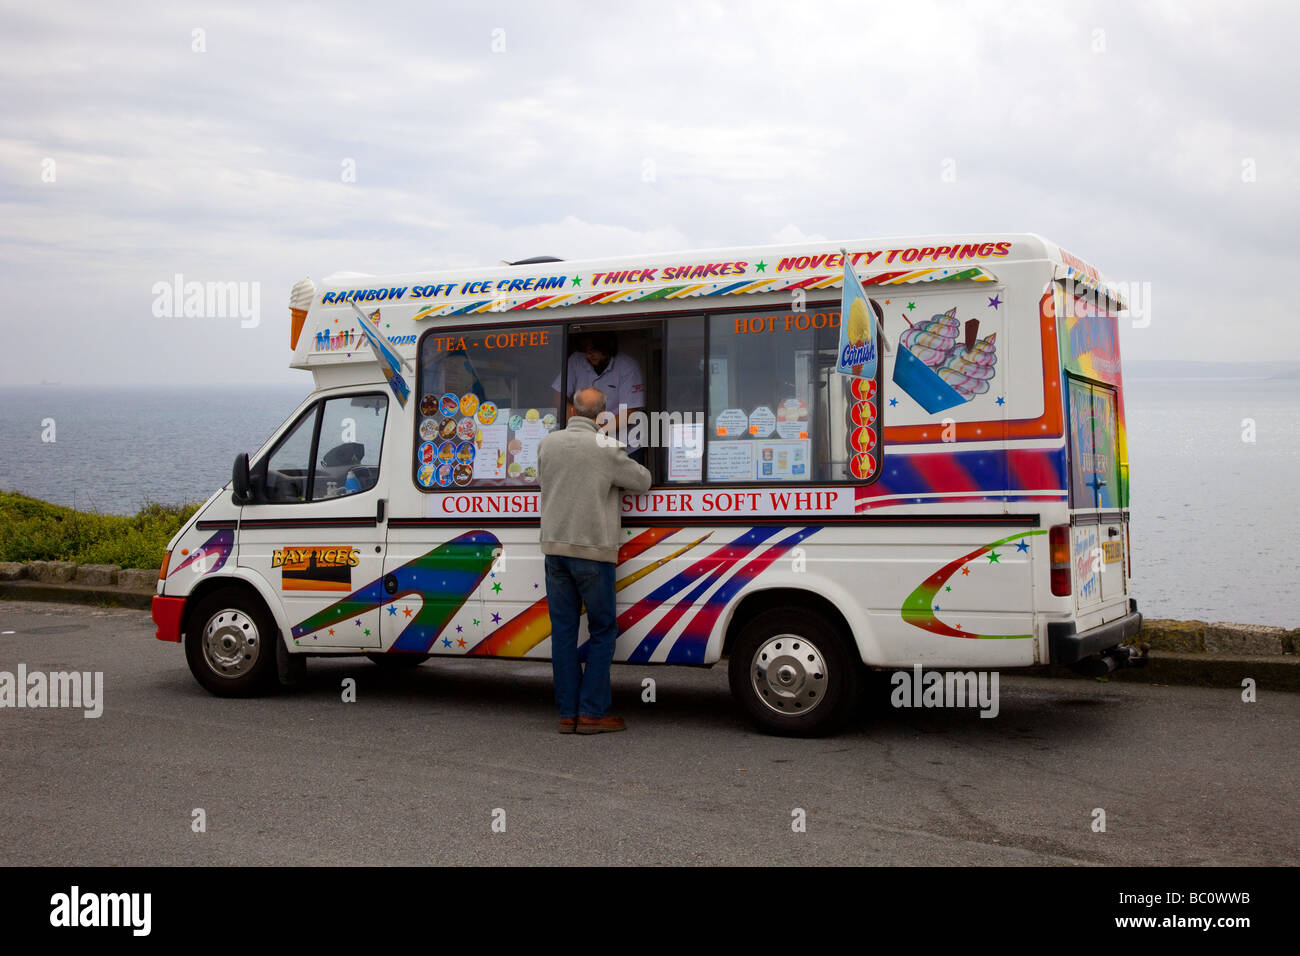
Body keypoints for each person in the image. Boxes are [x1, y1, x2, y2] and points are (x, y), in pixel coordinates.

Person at [538, 386, 652, 734]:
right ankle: (592, 712)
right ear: (602, 416)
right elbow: (643, 481)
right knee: (602, 630)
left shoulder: (548, 444)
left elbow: (545, 479)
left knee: (563, 632)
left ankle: (567, 713)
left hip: (554, 551)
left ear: (571, 412)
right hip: (592, 553)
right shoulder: (607, 447)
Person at [552, 331, 647, 465]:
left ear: (608, 348)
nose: (588, 355)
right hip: (584, 444)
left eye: (593, 350)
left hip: (625, 446)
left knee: (630, 484)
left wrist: (597, 431)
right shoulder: (575, 360)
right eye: (586, 350)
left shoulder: (628, 367)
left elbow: (631, 412)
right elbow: (559, 397)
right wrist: (578, 425)